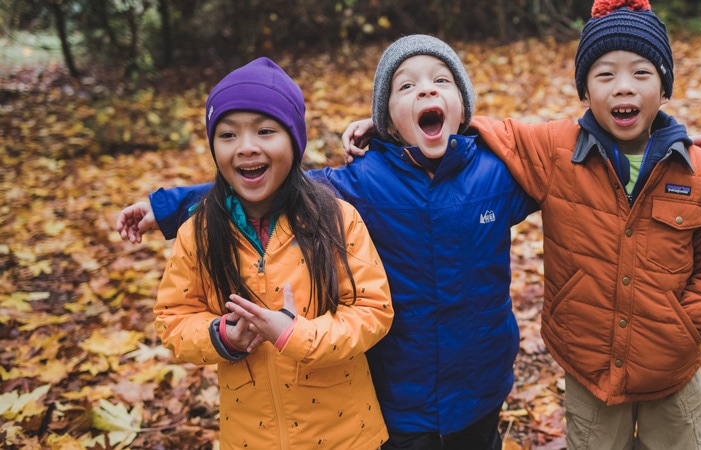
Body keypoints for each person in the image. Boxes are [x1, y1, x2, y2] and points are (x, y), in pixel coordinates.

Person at [343, 1, 701, 448]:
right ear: (584, 90)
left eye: (641, 73)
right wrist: (391, 127)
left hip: (672, 369)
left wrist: (686, 325)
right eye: (605, 75)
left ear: (665, 86)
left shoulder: (700, 170)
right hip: (591, 369)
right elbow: (493, 132)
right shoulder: (556, 150)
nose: (623, 88)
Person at [117, 36, 538, 449]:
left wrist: (482, 130)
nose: (426, 88)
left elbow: (557, 169)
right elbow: (270, 184)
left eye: (442, 81)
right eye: (405, 86)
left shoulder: (497, 174)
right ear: (386, 118)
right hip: (402, 390)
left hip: (482, 380)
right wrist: (169, 207)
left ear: (463, 106)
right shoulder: (361, 182)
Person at [149, 56, 393, 449]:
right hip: (249, 437)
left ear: (294, 143)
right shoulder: (200, 232)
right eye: (227, 135)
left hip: (346, 435)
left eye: (265, 131)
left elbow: (373, 310)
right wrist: (221, 336)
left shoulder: (335, 219)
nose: (246, 148)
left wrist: (297, 335)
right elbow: (172, 318)